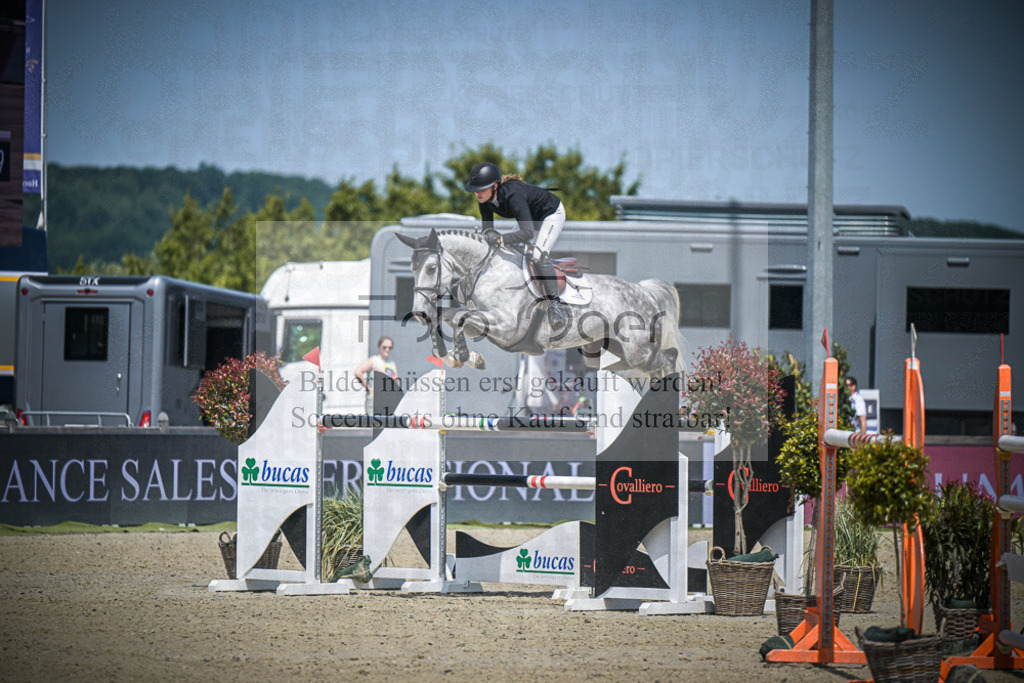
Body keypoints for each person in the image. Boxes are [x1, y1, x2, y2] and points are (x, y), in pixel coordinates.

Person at [464, 161, 568, 330]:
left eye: (482, 189)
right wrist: (489, 238)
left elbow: (527, 233)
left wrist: (501, 239)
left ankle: (556, 306)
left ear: (495, 186)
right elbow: (488, 230)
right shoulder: (484, 201)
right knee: (506, 252)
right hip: (530, 218)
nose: (478, 193)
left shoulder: (513, 196)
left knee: (538, 255)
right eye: (475, 190)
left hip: (550, 213)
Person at [355, 336, 397, 414]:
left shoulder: (392, 363)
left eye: (390, 348)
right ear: (379, 347)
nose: (387, 350)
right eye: (384, 347)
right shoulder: (374, 360)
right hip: (374, 401)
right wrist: (368, 387)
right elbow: (358, 372)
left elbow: (396, 381)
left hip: (387, 402)